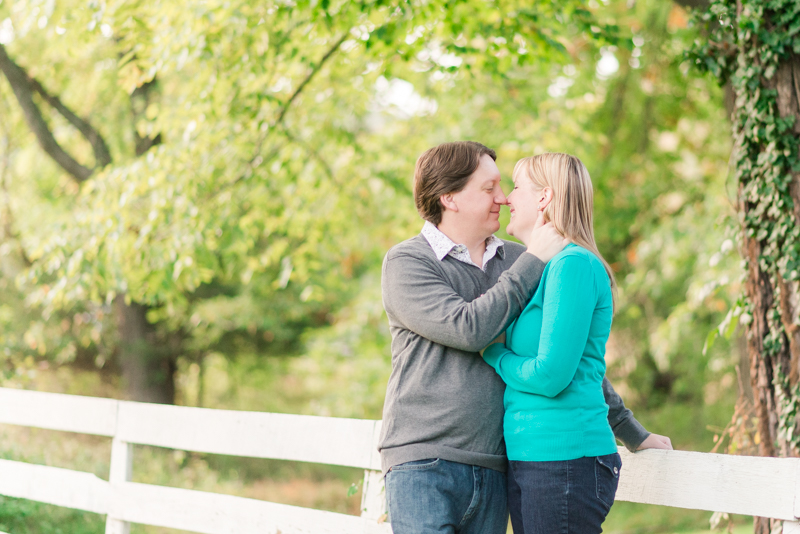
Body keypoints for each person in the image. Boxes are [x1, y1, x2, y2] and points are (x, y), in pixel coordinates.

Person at [379, 141, 671, 534]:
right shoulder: (409, 262)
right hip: (425, 464)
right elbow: (469, 328)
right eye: (489, 188)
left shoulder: (522, 259)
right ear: (449, 197)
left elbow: (571, 356)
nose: (502, 198)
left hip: (498, 464)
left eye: (505, 186)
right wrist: (535, 259)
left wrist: (631, 431)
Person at [482, 152, 633, 533]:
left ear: (544, 198)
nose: (506, 199)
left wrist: (493, 353)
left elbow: (551, 375)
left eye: (517, 187)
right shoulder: (542, 268)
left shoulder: (573, 265)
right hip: (532, 458)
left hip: (564, 459)